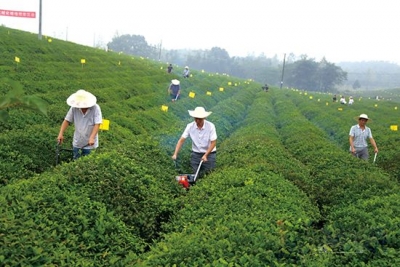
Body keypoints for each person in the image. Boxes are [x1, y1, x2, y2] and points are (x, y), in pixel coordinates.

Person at [172, 107, 217, 178]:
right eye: (196, 118)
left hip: (209, 154)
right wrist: (175, 154)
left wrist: (205, 155)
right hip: (195, 154)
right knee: (195, 175)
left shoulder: (211, 126)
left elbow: (213, 142)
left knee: (208, 174)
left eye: (200, 119)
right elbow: (181, 140)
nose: (197, 120)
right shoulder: (190, 126)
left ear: (204, 118)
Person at [57, 89, 103, 160]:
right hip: (77, 142)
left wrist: (92, 137)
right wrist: (61, 133)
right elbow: (67, 121)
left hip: (90, 144)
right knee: (77, 162)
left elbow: (97, 124)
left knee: (89, 163)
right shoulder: (74, 108)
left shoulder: (95, 108)